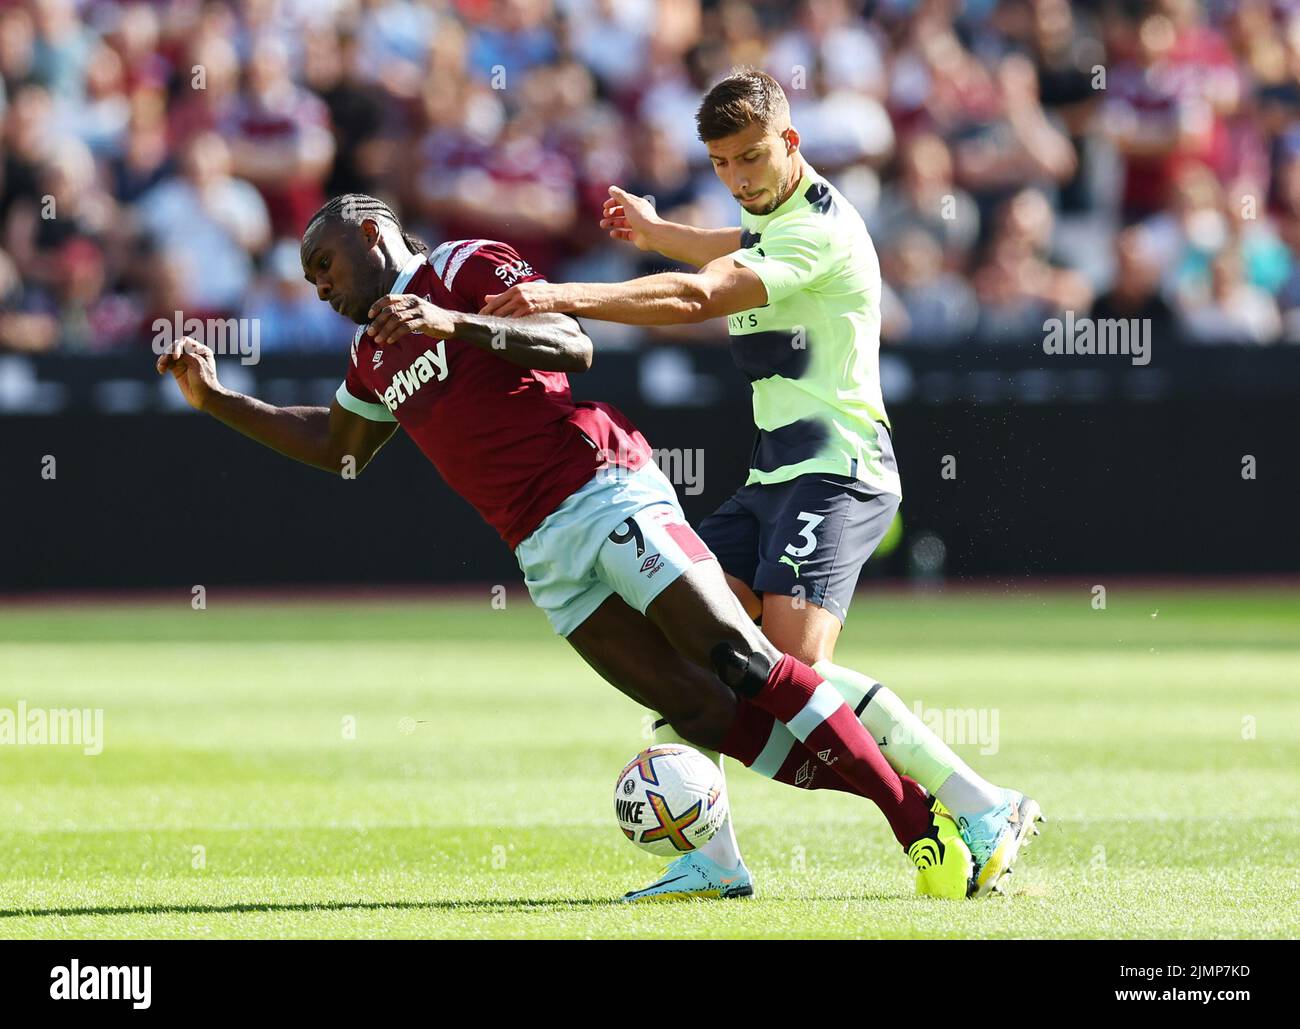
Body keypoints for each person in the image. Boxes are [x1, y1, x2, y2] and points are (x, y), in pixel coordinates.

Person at [156, 193, 981, 904]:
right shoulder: (372, 352)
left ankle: (915, 822)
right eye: (310, 280)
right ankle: (724, 863)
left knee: (737, 655)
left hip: (602, 487)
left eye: (324, 265)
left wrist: (452, 320)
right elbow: (339, 447)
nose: (321, 287)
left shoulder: (466, 266)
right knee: (696, 708)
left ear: (372, 234)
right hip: (540, 552)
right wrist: (219, 400)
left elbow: (573, 343)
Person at [480, 70, 1043, 900]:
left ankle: (983, 804)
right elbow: (727, 246)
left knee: (787, 670)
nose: (739, 177)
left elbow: (702, 295)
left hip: (839, 472)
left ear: (792, 142)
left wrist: (565, 295)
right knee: (684, 638)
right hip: (773, 476)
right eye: (721, 162)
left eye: (751, 158)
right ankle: (715, 858)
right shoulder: (770, 212)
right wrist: (657, 229)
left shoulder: (823, 230)